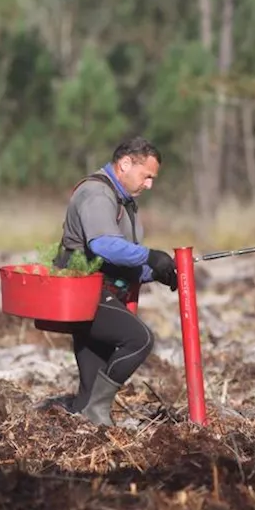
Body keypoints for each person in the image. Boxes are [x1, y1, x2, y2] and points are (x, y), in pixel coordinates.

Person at [55, 136, 178, 426]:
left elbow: (119, 261)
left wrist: (156, 272)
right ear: (125, 164)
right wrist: (151, 256)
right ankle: (98, 411)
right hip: (85, 292)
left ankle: (84, 430)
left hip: (99, 290)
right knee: (140, 339)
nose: (149, 185)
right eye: (146, 176)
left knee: (85, 399)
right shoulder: (98, 193)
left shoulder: (123, 199)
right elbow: (104, 247)